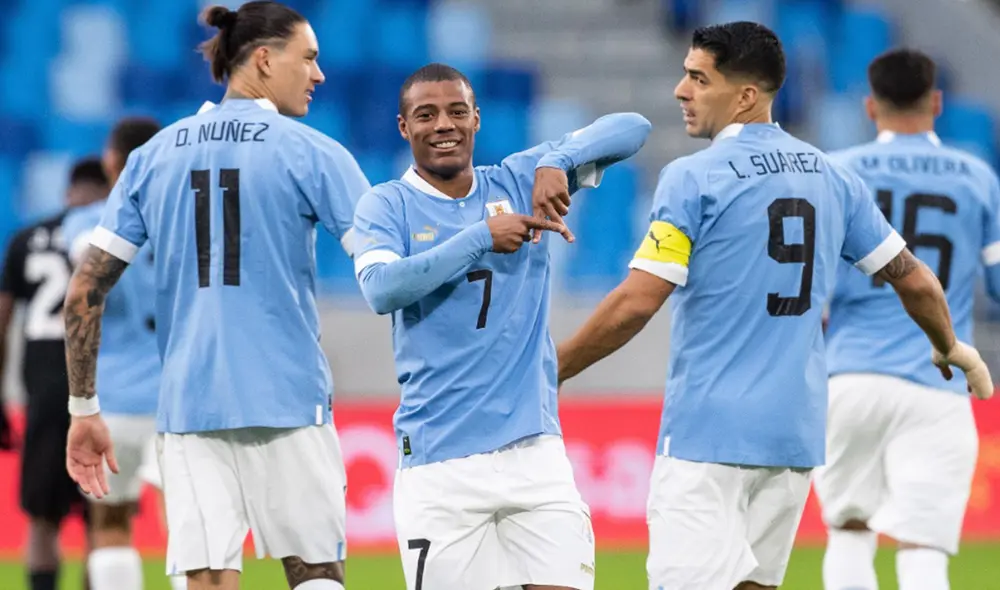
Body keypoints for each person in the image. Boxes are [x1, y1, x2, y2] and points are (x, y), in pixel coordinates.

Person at [554, 22, 993, 590]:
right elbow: (915, 282)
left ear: (745, 96)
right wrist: (949, 346)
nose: (680, 91)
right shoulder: (833, 177)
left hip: (707, 436)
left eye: (697, 78)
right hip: (792, 437)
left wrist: (553, 367)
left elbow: (637, 302)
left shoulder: (693, 178)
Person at [60, 2, 370, 589]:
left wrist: (83, 408)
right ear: (262, 59)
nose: (319, 74)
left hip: (189, 407)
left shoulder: (152, 158)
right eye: (308, 58)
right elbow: (387, 272)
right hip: (289, 399)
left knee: (205, 579)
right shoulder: (313, 152)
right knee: (316, 574)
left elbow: (84, 290)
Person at [352, 62, 651, 590]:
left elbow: (633, 127)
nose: (443, 124)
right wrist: (479, 237)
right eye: (426, 114)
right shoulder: (386, 204)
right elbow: (381, 289)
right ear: (404, 128)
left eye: (457, 112)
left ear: (477, 120)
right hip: (440, 463)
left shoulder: (518, 178)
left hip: (534, 453)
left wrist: (557, 160)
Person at [814, 48, 999, 590]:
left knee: (848, 531)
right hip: (937, 379)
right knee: (923, 550)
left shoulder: (839, 169)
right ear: (936, 101)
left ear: (871, 106)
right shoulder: (976, 174)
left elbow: (812, 283)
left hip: (847, 375)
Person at [62, 117, 168, 590]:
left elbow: (80, 268)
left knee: (109, 523)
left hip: (113, 402)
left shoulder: (89, 223)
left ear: (111, 162)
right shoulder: (184, 222)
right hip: (177, 401)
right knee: (190, 526)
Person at [0, 157, 108, 590]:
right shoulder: (114, 237)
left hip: (45, 394)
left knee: (43, 518)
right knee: (105, 517)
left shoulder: (27, 239)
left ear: (68, 190)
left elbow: (3, 320)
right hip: (104, 392)